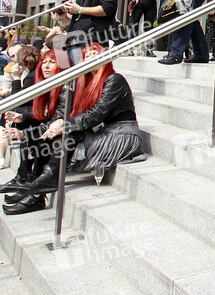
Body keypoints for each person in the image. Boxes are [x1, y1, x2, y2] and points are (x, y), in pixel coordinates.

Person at [16, 43, 145, 197]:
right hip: (104, 131)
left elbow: (95, 116)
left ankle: (45, 182)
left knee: (65, 135)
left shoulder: (115, 80)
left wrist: (64, 125)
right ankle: (37, 187)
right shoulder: (88, 83)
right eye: (87, 56)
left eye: (95, 55)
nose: (91, 59)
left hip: (122, 134)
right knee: (51, 137)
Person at [0, 51, 66, 214]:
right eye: (44, 62)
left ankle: (34, 193)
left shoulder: (64, 87)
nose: (46, 66)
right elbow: (44, 114)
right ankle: (26, 183)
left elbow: (57, 119)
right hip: (58, 128)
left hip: (71, 133)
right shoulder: (48, 84)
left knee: (38, 136)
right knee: (30, 128)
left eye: (52, 62)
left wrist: (16, 79)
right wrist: (22, 117)